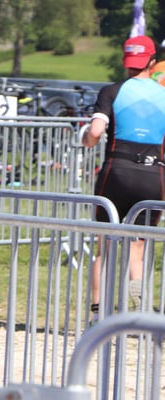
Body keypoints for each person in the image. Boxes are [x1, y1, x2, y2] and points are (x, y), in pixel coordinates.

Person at [82, 35, 165, 323]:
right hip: (153, 175)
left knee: (104, 247)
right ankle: (140, 314)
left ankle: (98, 315)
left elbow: (95, 133)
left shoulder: (111, 91)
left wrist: (85, 139)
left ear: (124, 60)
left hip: (116, 172)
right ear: (152, 61)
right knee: (137, 247)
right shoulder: (163, 94)